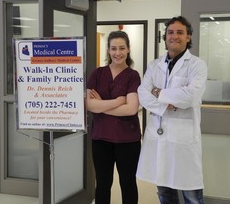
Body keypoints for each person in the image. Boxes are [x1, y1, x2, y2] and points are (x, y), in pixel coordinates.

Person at [136, 16, 207, 204]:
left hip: (183, 140)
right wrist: (166, 101)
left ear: (189, 37)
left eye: (180, 32)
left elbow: (190, 96)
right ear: (165, 37)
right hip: (158, 138)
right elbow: (143, 93)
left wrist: (158, 92)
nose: (174, 36)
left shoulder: (197, 65)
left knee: (191, 195)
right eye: (170, 32)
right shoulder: (154, 65)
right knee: (164, 192)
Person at [86, 30, 141, 204]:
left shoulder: (133, 76)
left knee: (128, 183)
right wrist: (117, 101)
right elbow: (89, 105)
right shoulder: (97, 73)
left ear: (128, 50)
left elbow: (131, 109)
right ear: (108, 51)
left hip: (127, 140)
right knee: (102, 184)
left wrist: (102, 105)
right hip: (101, 138)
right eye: (114, 48)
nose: (118, 53)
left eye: (122, 48)